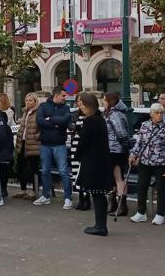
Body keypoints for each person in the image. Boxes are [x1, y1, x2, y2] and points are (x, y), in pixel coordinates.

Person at [129, 103, 165, 225]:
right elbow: (139, 143)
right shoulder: (144, 126)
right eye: (156, 113)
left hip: (161, 162)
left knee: (161, 188)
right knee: (141, 186)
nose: (159, 115)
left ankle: (160, 214)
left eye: (161, 113)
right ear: (151, 114)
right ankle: (141, 212)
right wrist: (133, 154)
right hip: (145, 161)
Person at [74, 92, 112, 237]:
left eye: (81, 103)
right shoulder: (99, 119)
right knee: (98, 195)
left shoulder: (91, 121)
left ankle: (100, 226)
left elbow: (84, 142)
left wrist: (77, 155)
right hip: (100, 161)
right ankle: (100, 224)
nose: (79, 106)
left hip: (94, 163)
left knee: (97, 194)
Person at [34, 86, 73, 210]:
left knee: (63, 171)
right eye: (63, 95)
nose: (64, 98)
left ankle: (68, 197)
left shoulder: (66, 108)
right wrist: (56, 125)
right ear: (56, 95)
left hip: (59, 144)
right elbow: (39, 121)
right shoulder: (43, 106)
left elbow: (65, 120)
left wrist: (50, 119)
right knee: (45, 171)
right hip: (45, 144)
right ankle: (46, 195)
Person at [102, 92, 129, 217]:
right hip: (112, 149)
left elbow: (121, 133)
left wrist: (124, 146)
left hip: (115, 150)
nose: (103, 101)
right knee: (114, 178)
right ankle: (114, 203)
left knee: (118, 177)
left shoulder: (115, 115)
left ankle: (121, 205)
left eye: (104, 99)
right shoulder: (112, 114)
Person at [14, 92, 40, 201]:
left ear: (35, 101)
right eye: (26, 100)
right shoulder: (25, 112)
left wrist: (36, 137)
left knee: (34, 168)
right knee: (21, 167)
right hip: (23, 142)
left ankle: (35, 191)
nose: (28, 102)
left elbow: (41, 128)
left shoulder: (38, 112)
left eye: (30, 100)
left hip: (33, 143)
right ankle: (23, 189)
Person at [0, 93, 15, 198]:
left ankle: (3, 188)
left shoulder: (9, 112)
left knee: (4, 167)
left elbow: (6, 124)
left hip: (6, 142)